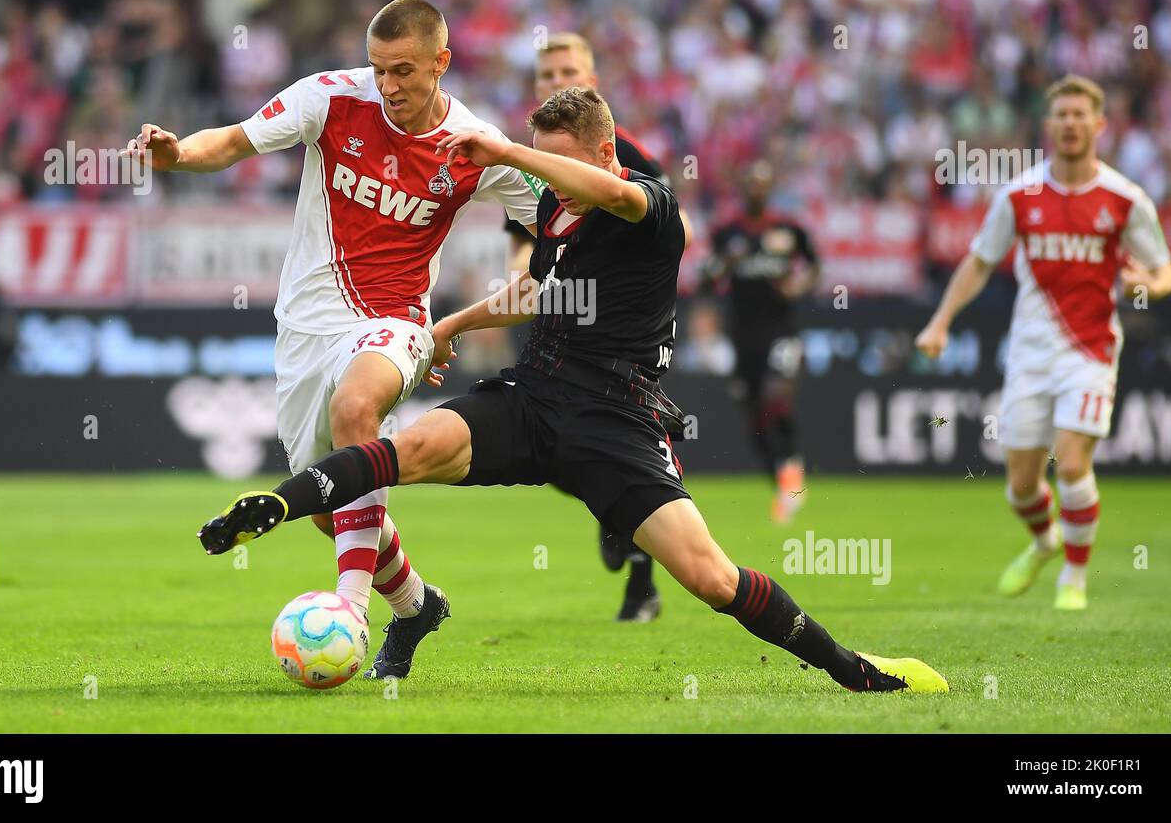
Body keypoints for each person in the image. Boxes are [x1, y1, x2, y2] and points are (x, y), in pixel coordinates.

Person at [199, 87, 949, 695]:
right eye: (543, 169)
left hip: (616, 422)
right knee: (407, 444)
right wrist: (451, 324)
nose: (552, 183)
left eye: (564, 167)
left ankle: (856, 672)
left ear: (602, 155)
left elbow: (606, 192)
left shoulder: (648, 207)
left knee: (710, 578)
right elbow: (537, 293)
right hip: (534, 398)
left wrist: (508, 152)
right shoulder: (557, 218)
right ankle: (280, 506)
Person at [123, 0, 539, 677]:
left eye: (405, 70)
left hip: (397, 322)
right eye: (380, 69)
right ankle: (416, 605)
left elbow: (555, 213)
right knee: (330, 507)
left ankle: (349, 611)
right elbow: (229, 141)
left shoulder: (474, 146)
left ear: (442, 62)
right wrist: (175, 154)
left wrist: (627, 206)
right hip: (305, 329)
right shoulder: (330, 98)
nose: (390, 86)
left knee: (356, 412)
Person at [916, 75, 1171, 610]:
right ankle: (1045, 541)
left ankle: (1073, 581)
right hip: (1030, 353)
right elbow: (980, 260)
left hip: (1091, 351)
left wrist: (1147, 285)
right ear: (1049, 125)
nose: (1071, 124)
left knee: (1074, 464)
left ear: (1099, 125)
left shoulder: (1125, 200)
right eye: (1062, 115)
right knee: (1020, 487)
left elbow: (1165, 270)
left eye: (1082, 115)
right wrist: (940, 321)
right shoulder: (1020, 193)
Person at [503, 31, 687, 623]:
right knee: (552, 440)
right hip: (557, 309)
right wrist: (519, 290)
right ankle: (611, 508)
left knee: (614, 438)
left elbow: (655, 238)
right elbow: (528, 238)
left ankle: (641, 581)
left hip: (624, 333)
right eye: (547, 76)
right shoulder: (541, 154)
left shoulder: (627, 158)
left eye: (568, 72)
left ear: (592, 79)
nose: (557, 82)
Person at [704, 159, 820, 523]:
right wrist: (724, 263)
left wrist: (799, 285)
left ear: (770, 189)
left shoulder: (789, 229)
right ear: (742, 189)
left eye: (762, 183)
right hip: (743, 335)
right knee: (754, 413)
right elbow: (706, 281)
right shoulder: (728, 232)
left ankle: (792, 468)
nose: (756, 189)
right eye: (750, 183)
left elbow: (814, 266)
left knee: (776, 395)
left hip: (781, 331)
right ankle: (783, 481)